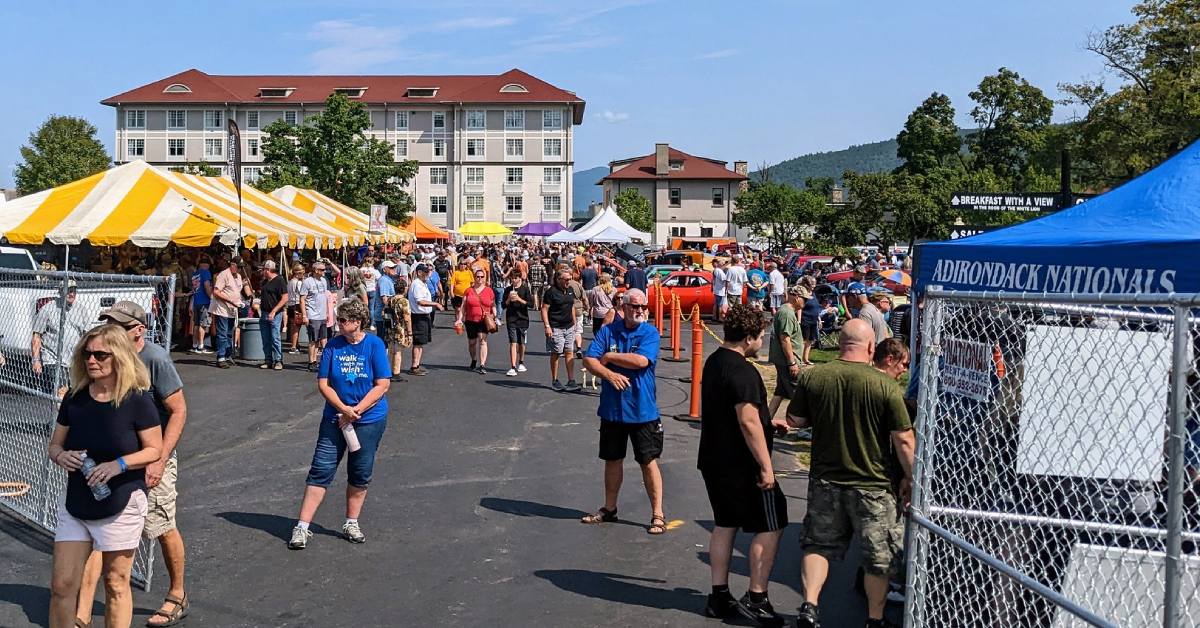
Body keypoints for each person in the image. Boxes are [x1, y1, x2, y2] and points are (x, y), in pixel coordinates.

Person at [785, 319, 916, 628]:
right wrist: (911, 477)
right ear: (871, 347)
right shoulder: (884, 385)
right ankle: (874, 618)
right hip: (873, 484)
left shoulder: (814, 376)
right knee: (878, 557)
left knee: (818, 545)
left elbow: (796, 419)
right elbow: (903, 438)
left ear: (841, 344)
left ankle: (810, 605)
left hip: (826, 479)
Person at [74, 303, 190, 627]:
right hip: (113, 460)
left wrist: (161, 458)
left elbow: (178, 410)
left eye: (120, 326)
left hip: (151, 457)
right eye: (108, 324)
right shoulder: (105, 359)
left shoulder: (154, 359)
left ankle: (177, 594)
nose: (111, 333)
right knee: (100, 531)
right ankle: (82, 613)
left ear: (139, 329)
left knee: (160, 526)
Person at [47, 325, 163, 628]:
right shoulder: (75, 398)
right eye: (87, 353)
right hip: (77, 501)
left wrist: (119, 464)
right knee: (62, 585)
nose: (91, 360)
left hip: (121, 502)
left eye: (100, 354)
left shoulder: (137, 400)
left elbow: (154, 450)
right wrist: (61, 456)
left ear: (120, 357)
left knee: (115, 583)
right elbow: (55, 445)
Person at [699, 304, 788, 625]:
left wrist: (768, 422)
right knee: (772, 522)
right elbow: (747, 420)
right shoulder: (743, 371)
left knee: (725, 523)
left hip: (713, 458)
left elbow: (741, 414)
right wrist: (766, 467)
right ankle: (757, 596)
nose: (762, 341)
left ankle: (718, 595)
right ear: (749, 337)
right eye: (761, 336)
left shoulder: (715, 362)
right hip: (742, 464)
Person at [289, 299, 391, 550]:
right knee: (320, 469)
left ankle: (351, 522)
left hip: (368, 419)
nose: (338, 324)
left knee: (360, 472)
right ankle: (302, 527)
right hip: (335, 418)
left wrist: (356, 410)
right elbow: (323, 383)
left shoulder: (374, 345)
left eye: (343, 320)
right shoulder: (333, 346)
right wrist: (343, 409)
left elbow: (383, 384)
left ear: (357, 322)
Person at [580, 289, 665, 534]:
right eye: (635, 306)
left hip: (642, 410)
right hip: (613, 410)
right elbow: (589, 360)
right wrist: (607, 373)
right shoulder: (608, 331)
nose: (640, 310)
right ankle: (609, 508)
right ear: (623, 307)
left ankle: (657, 513)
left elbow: (641, 361)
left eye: (643, 307)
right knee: (612, 459)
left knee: (648, 461)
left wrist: (609, 356)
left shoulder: (649, 332)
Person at [32, 284, 89, 397]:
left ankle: (64, 414)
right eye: (68, 290)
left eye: (74, 290)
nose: (71, 294)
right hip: (53, 360)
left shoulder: (81, 310)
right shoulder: (48, 309)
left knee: (75, 395)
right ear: (60, 291)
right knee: (61, 394)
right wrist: (36, 360)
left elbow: (87, 335)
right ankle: (60, 413)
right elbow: (36, 335)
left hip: (74, 361)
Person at [767, 285, 805, 419]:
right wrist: (792, 363)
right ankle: (803, 425)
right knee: (798, 395)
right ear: (797, 297)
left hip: (783, 360)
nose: (805, 302)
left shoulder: (786, 311)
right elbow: (785, 339)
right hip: (787, 361)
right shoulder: (787, 313)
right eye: (804, 299)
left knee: (780, 391)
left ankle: (766, 418)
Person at [541, 270, 581, 392]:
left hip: (569, 326)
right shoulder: (551, 292)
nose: (569, 281)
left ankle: (571, 380)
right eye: (566, 279)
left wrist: (574, 322)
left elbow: (572, 306)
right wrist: (547, 326)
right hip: (556, 326)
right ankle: (555, 380)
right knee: (556, 352)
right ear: (558, 279)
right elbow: (544, 309)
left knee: (569, 351)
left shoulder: (570, 290)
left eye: (570, 279)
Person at [457, 266, 496, 374]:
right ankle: (474, 359)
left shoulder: (489, 291)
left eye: (481, 277)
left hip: (484, 319)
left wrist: (495, 316)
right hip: (470, 319)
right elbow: (463, 306)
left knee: (482, 340)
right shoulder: (468, 291)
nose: (479, 279)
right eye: (477, 277)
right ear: (474, 278)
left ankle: (482, 364)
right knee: (472, 343)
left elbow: (493, 305)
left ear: (484, 278)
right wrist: (459, 319)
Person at [407, 264, 443, 376]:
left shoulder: (423, 283)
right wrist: (435, 304)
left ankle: (417, 365)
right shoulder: (417, 284)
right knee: (418, 342)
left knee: (421, 342)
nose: (428, 274)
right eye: (425, 272)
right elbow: (420, 301)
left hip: (424, 315)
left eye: (428, 272)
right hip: (418, 316)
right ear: (419, 272)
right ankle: (414, 366)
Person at [210, 259, 245, 369]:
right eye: (238, 267)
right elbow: (216, 292)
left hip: (232, 309)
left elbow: (237, 291)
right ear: (232, 265)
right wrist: (230, 300)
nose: (239, 269)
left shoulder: (238, 276)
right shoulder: (223, 275)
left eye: (241, 267)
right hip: (223, 308)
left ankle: (227, 355)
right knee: (223, 333)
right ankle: (221, 357)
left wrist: (239, 302)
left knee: (230, 333)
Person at [257, 261, 288, 371]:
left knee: (275, 337)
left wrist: (274, 311)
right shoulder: (265, 281)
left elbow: (285, 298)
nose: (262, 271)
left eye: (264, 269)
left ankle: (278, 360)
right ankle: (268, 360)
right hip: (264, 312)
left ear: (268, 270)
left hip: (275, 313)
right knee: (265, 338)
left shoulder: (279, 280)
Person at [299, 262, 330, 372]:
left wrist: (327, 312)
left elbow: (325, 297)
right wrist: (304, 315)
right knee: (313, 339)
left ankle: (315, 360)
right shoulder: (307, 282)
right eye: (322, 269)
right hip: (312, 314)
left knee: (320, 339)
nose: (324, 271)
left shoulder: (324, 281)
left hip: (322, 314)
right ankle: (311, 361)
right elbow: (302, 299)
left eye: (324, 269)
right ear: (316, 270)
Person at [502, 271, 532, 377]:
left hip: (523, 319)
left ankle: (521, 362)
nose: (513, 280)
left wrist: (519, 299)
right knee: (513, 342)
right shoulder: (508, 290)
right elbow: (503, 305)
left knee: (521, 343)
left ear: (520, 278)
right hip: (511, 319)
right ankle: (513, 366)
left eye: (515, 278)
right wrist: (509, 299)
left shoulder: (525, 289)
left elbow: (531, 304)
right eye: (512, 278)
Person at [385, 275, 412, 381]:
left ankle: (388, 370)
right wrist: (409, 333)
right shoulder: (404, 301)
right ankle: (396, 373)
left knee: (391, 349)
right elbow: (407, 318)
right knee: (398, 351)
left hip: (390, 327)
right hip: (400, 328)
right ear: (404, 289)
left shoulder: (390, 300)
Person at [188, 258, 213, 354]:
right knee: (203, 324)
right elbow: (207, 286)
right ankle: (201, 346)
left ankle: (194, 345)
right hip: (204, 302)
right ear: (206, 265)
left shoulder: (195, 274)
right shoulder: (206, 273)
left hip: (196, 301)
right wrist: (211, 297)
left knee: (196, 324)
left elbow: (195, 289)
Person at [286, 263, 305, 354]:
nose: (303, 275)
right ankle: (293, 346)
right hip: (296, 304)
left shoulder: (290, 281)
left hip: (290, 305)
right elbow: (302, 293)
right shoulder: (298, 282)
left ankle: (295, 344)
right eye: (302, 273)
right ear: (297, 273)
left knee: (294, 326)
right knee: (297, 327)